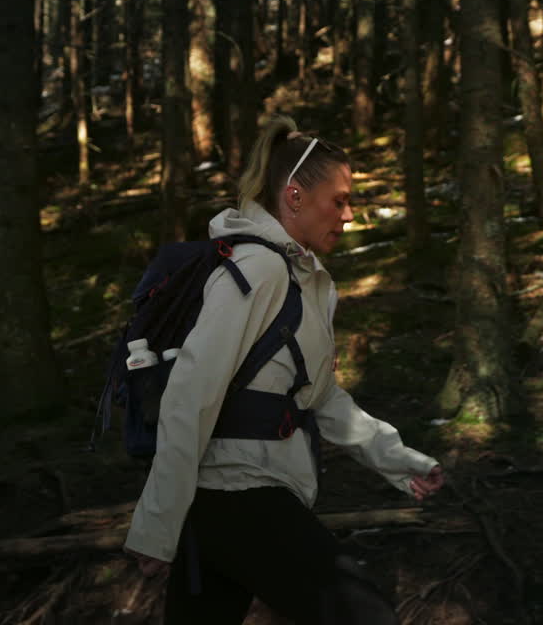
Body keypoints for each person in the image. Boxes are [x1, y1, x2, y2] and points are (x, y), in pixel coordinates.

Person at [123, 116, 445, 624]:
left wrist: (398, 461)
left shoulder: (308, 282)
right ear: (294, 197)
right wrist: (156, 526)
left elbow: (318, 397)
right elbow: (191, 392)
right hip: (235, 494)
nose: (349, 215)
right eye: (338, 201)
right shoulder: (259, 269)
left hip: (238, 499)